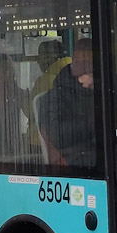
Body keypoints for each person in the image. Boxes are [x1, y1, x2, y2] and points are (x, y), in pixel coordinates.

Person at [39, 38, 98, 169]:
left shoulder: (98, 93)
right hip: (72, 164)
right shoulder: (56, 95)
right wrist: (93, 123)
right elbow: (57, 134)